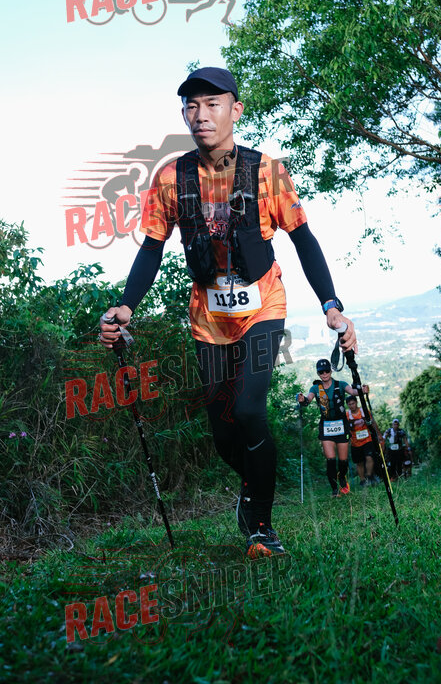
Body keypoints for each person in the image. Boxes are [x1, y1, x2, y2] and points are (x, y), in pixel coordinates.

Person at [99, 66, 357, 558]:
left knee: (248, 410)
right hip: (208, 320)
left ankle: (261, 525)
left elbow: (303, 239)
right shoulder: (171, 177)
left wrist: (331, 305)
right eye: (191, 105)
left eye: (212, 104)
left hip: (263, 306)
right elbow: (152, 247)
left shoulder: (266, 172)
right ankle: (253, 485)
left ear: (235, 110)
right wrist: (126, 305)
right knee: (222, 433)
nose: (201, 115)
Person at [298, 359, 358, 497]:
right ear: (318, 373)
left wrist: (361, 390)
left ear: (331, 371)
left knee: (342, 460)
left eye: (326, 371)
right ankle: (334, 489)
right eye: (321, 372)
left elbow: (352, 391)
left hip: (341, 425)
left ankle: (342, 477)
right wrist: (303, 400)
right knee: (330, 460)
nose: (324, 374)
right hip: (326, 426)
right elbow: (308, 399)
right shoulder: (315, 388)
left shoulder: (340, 384)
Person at [346, 393, 382, 487]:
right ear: (347, 405)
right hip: (355, 442)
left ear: (356, 402)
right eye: (349, 404)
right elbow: (346, 428)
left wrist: (378, 434)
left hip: (367, 439)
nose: (352, 406)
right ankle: (362, 480)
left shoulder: (364, 411)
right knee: (359, 462)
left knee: (369, 457)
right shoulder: (347, 415)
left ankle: (369, 476)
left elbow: (373, 422)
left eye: (353, 403)